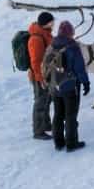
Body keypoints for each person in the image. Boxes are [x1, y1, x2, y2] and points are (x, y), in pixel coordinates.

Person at [44, 20, 90, 152]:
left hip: (55, 86)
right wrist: (85, 82)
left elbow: (46, 64)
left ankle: (58, 142)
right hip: (70, 86)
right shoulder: (72, 46)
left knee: (58, 114)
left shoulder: (52, 45)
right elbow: (79, 67)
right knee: (70, 115)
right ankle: (71, 143)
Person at [27, 11, 54, 141]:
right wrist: (40, 78)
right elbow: (36, 61)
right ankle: (38, 130)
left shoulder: (46, 33)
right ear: (45, 23)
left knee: (47, 100)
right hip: (39, 76)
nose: (53, 23)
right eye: (51, 21)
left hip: (47, 74)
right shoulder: (36, 39)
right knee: (40, 102)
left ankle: (46, 124)